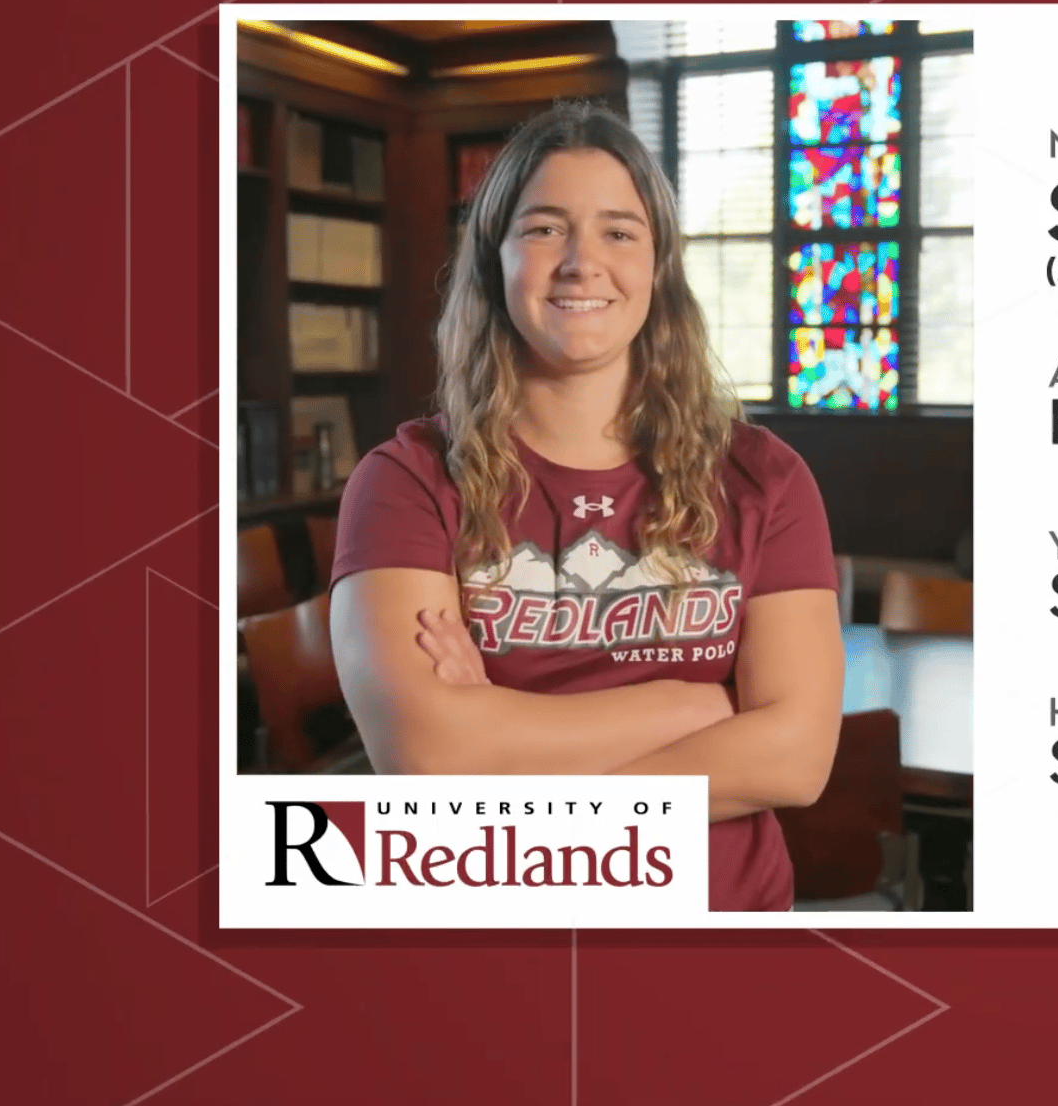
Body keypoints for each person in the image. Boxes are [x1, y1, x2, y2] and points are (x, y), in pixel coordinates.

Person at [328, 100, 842, 912]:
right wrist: (702, 706)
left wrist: (504, 746)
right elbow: (428, 758)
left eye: (618, 231)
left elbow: (794, 760)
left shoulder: (761, 478)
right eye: (543, 230)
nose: (580, 263)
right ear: (493, 258)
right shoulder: (406, 483)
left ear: (658, 265)